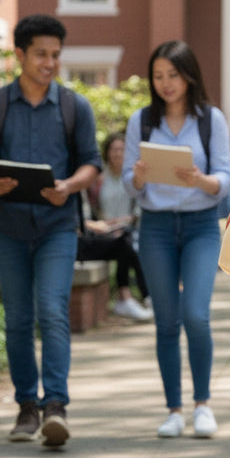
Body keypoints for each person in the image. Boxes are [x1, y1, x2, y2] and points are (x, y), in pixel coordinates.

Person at [0, 14, 101, 447]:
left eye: (56, 55)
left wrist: (69, 185)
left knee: (53, 310)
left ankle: (55, 406)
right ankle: (26, 407)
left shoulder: (74, 107)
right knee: (18, 319)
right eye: (41, 54)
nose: (49, 63)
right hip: (7, 228)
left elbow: (91, 163)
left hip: (58, 226)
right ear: (19, 55)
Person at [122, 41, 230, 439]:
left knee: (196, 315)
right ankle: (173, 410)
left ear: (188, 76)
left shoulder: (210, 119)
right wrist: (139, 176)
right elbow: (129, 185)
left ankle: (202, 405)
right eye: (158, 76)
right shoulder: (142, 121)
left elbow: (225, 178)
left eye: (173, 75)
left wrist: (199, 180)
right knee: (166, 321)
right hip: (155, 229)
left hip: (201, 226)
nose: (166, 84)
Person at [81, 131, 152, 321]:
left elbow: (139, 208)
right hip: (104, 230)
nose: (118, 153)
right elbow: (92, 208)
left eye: (121, 149)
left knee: (127, 241)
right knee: (125, 243)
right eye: (114, 149)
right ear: (107, 152)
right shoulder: (98, 178)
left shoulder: (133, 176)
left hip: (130, 228)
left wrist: (125, 221)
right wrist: (106, 223)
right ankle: (141, 297)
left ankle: (132, 297)